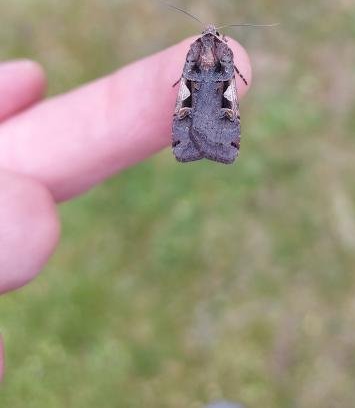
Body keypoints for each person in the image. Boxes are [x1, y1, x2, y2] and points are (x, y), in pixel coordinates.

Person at [0, 38, 251, 380]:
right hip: (217, 98)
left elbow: (194, 78)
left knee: (194, 95)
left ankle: (198, 140)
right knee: (218, 96)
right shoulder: (220, 55)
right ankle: (214, 140)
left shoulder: (199, 54)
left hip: (195, 93)